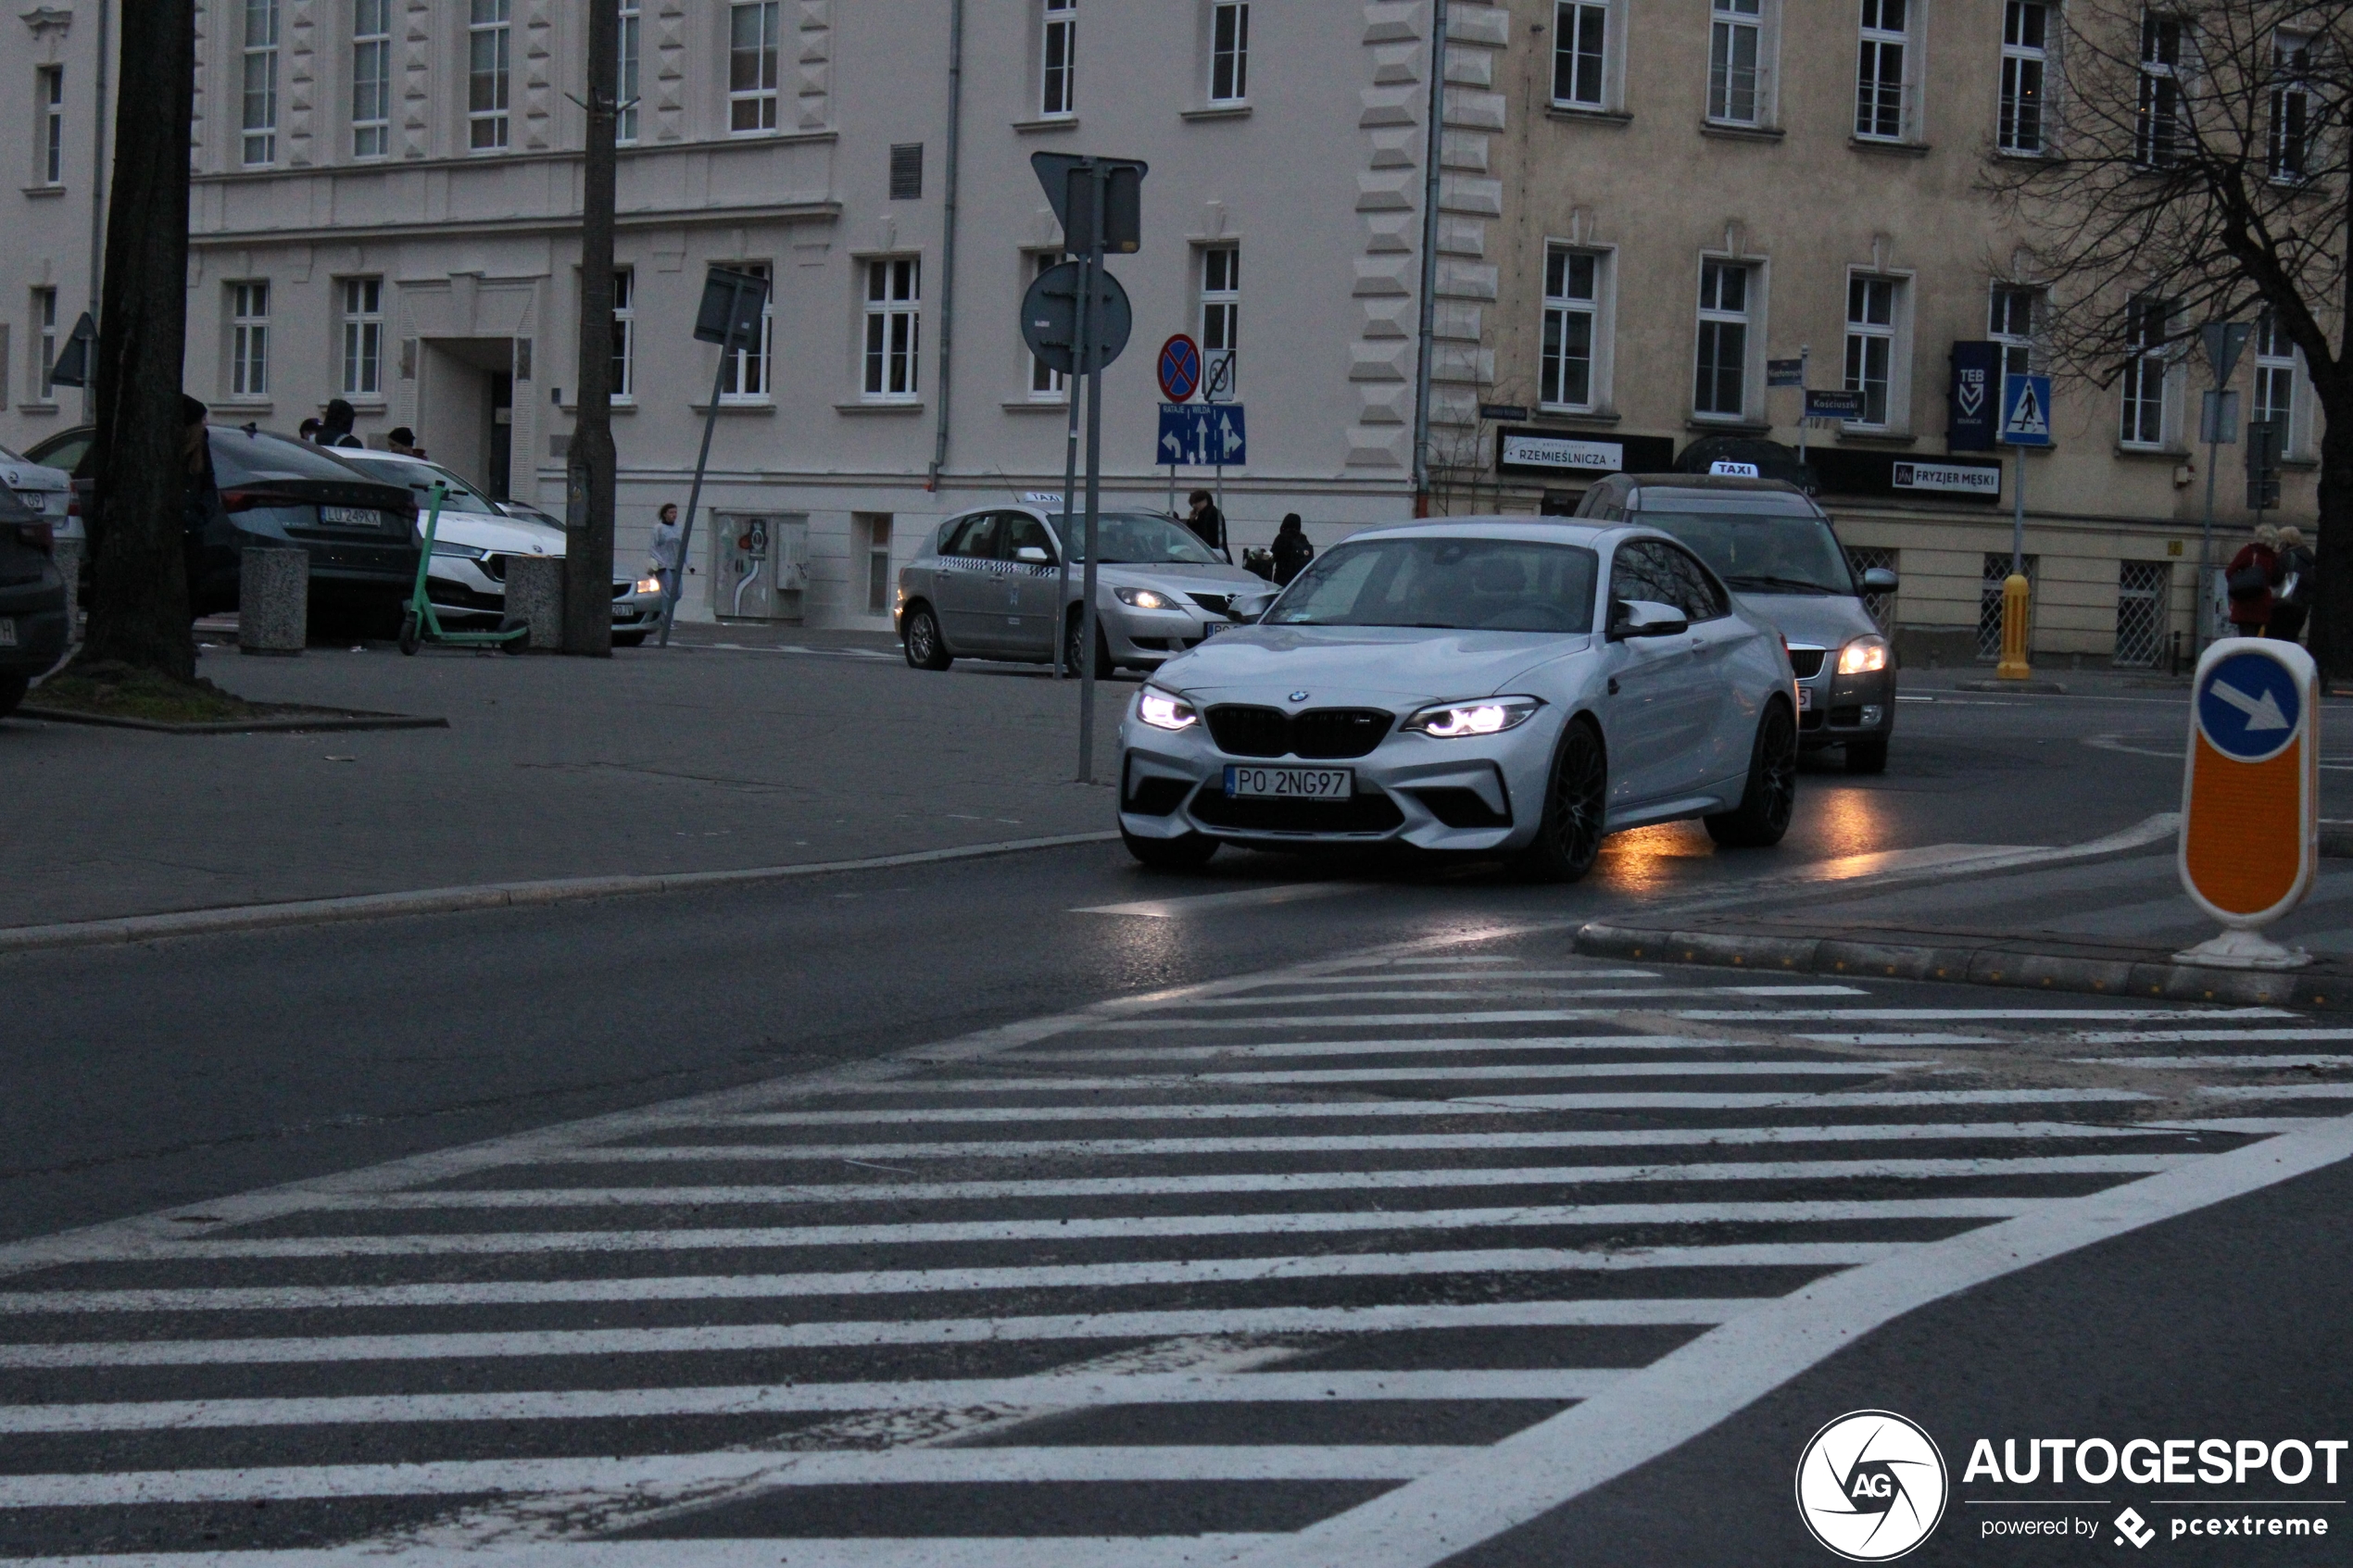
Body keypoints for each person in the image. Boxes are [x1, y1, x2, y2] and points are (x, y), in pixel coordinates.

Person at [2225, 523, 2280, 638]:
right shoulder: (2273, 557)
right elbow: (2275, 579)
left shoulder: (2249, 551)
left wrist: (2241, 581)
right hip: (2263, 605)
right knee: (2257, 641)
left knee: (2246, 641)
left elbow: (2229, 572)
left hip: (2245, 604)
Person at [2269, 524, 2316, 644]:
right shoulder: (2307, 557)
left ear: (2286, 541)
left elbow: (2276, 578)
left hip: (2284, 604)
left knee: (2276, 639)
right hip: (2302, 605)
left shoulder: (2288, 556)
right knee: (2291, 638)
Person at [648, 502, 685, 603]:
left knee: (678, 592)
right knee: (668, 592)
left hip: (675, 564)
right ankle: (667, 617)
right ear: (665, 514)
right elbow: (653, 546)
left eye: (675, 512)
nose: (674, 515)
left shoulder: (678, 528)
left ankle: (663, 612)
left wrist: (688, 564)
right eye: (671, 512)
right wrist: (660, 561)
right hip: (663, 566)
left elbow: (682, 546)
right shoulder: (658, 528)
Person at [1183, 489, 1229, 560]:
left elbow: (1203, 537)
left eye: (1195, 503)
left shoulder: (1210, 514)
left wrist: (1192, 523)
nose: (1193, 506)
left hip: (1212, 557)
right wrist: (1192, 521)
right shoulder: (1205, 515)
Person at [1271, 513, 1315, 585]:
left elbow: (1271, 557)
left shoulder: (1282, 538)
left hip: (1283, 583)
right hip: (1300, 583)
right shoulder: (1303, 540)